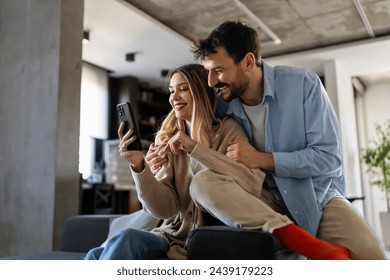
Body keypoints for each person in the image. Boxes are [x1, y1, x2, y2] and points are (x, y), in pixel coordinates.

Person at [146, 20, 387, 259]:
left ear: (248, 61)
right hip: (258, 200)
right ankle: (295, 240)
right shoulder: (221, 104)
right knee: (202, 183)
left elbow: (328, 158)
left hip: (315, 196)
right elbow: (190, 118)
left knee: (373, 257)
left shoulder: (303, 85)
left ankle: (299, 243)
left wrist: (263, 159)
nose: (211, 81)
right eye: (208, 71)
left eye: (218, 70)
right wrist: (158, 156)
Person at [84, 63, 266, 260]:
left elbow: (250, 185)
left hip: (205, 238)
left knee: (127, 240)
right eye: (172, 91)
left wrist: (193, 148)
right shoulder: (166, 138)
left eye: (183, 89)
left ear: (201, 91)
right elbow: (165, 209)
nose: (174, 97)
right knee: (95, 254)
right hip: (168, 236)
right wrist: (140, 166)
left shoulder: (228, 131)